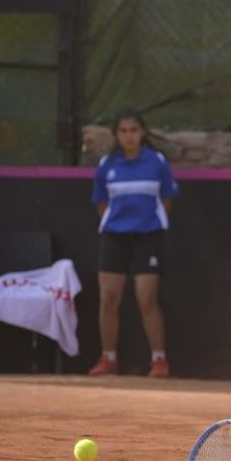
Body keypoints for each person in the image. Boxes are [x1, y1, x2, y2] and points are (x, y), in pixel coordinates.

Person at [87, 108, 177, 378]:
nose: (129, 136)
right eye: (123, 131)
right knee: (109, 298)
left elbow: (167, 199)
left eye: (134, 130)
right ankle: (108, 358)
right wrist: (117, 224)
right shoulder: (107, 165)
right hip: (114, 237)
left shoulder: (157, 162)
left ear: (142, 132)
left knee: (146, 298)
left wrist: (148, 222)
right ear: (116, 134)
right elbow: (101, 203)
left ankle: (159, 360)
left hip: (148, 237)